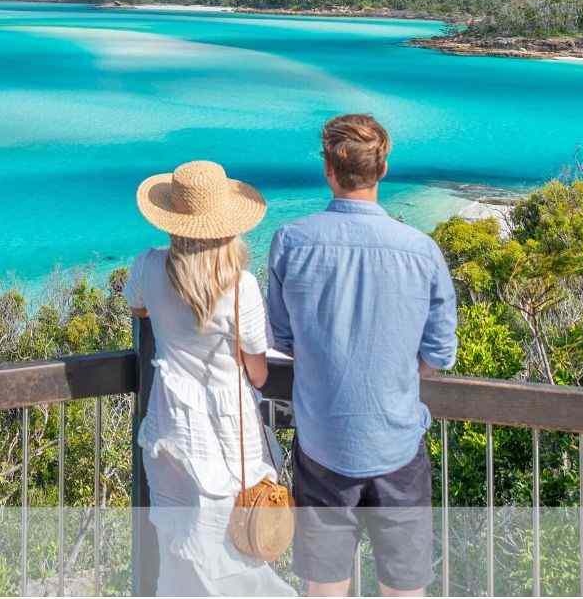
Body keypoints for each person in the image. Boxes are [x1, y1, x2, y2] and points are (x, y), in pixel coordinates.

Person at [266, 113, 457, 597]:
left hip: (322, 442)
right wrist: (395, 372)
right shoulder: (421, 249)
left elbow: (282, 337)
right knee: (404, 585)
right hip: (396, 443)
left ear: (328, 169)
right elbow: (439, 350)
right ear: (384, 168)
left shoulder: (291, 241)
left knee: (324, 585)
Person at [127, 160, 295, 598]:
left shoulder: (148, 267)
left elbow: (137, 306)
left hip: (170, 431)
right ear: (227, 226)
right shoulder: (240, 286)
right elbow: (257, 373)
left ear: (172, 219)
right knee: (234, 551)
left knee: (178, 548)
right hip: (229, 433)